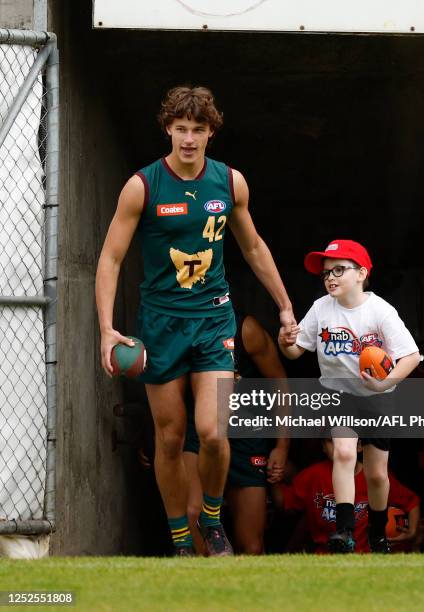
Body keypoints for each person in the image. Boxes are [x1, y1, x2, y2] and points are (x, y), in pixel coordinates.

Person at [96, 86, 295, 556]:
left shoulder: (230, 183)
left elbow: (252, 247)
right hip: (161, 324)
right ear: (168, 129)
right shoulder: (142, 186)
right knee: (169, 437)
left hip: (213, 319)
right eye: (181, 129)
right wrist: (106, 329)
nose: (189, 138)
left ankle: (209, 515)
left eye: (198, 129)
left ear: (211, 132)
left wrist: (285, 305)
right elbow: (110, 258)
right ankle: (181, 537)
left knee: (213, 431)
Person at [278, 239, 420, 553]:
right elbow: (294, 351)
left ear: (361, 273)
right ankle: (343, 531)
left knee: (376, 474)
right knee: (343, 453)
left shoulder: (381, 310)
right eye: (326, 273)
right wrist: (284, 340)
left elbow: (411, 356)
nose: (330, 277)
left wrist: (384, 385)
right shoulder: (320, 308)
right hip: (338, 392)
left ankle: (377, 533)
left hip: (377, 395)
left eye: (339, 270)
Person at [183, 311, 289, 555]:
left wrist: (282, 446)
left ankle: (249, 592)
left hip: (246, 436)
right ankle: (201, 588)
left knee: (250, 545)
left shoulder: (245, 330)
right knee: (192, 513)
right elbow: (166, 389)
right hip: (200, 431)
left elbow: (279, 380)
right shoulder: (179, 323)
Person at [272, 439, 421, 553]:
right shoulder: (314, 475)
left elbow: (411, 502)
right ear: (323, 447)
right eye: (331, 441)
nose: (339, 446)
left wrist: (412, 532)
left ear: (359, 446)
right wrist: (273, 477)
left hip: (365, 558)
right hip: (325, 558)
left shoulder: (374, 475)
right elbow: (283, 502)